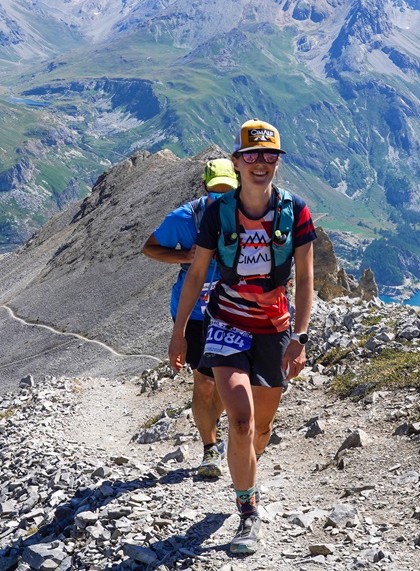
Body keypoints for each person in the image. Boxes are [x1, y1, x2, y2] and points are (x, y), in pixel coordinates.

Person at [169, 120, 316, 557]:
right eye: (251, 155)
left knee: (261, 429)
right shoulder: (218, 213)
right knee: (240, 421)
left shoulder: (297, 211)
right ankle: (248, 511)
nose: (261, 163)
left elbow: (307, 279)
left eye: (269, 155)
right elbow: (197, 273)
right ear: (236, 162)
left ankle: (243, 468)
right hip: (226, 323)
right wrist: (179, 334)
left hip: (274, 329)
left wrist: (301, 337)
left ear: (278, 162)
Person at [142, 157, 237, 478]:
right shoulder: (184, 218)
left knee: (226, 382)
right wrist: (185, 255)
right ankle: (210, 449)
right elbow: (151, 248)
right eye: (216, 191)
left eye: (228, 191)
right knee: (206, 382)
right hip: (195, 313)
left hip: (234, 310)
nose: (222, 198)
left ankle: (219, 431)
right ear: (204, 188)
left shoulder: (247, 212)